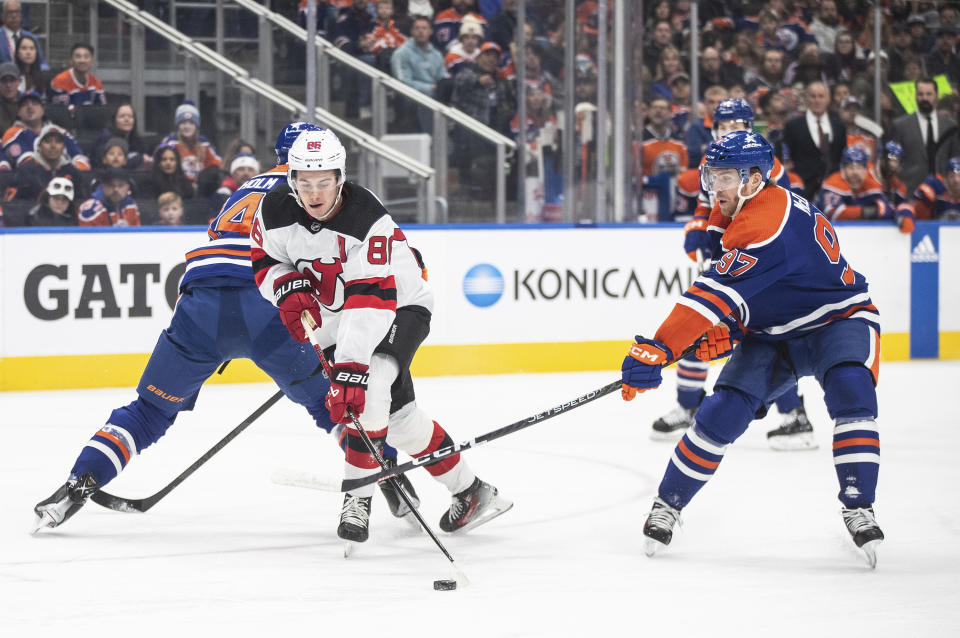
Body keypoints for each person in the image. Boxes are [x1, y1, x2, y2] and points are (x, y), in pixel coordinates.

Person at [33, 122, 421, 532]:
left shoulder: (245, 186)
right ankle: (390, 477)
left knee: (149, 411)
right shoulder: (316, 197)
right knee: (335, 406)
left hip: (202, 304)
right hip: (267, 308)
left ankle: (76, 485)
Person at [621, 130, 885, 567]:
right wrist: (737, 324)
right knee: (720, 414)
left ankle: (859, 505)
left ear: (754, 179)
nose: (713, 188)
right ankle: (668, 504)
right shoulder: (751, 210)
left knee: (852, 392)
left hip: (837, 319)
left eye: (724, 177)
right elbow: (762, 287)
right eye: (712, 176)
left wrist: (657, 349)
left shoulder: (764, 225)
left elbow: (709, 296)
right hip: (772, 332)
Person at [250, 127, 512, 545]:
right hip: (341, 319)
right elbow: (265, 261)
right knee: (401, 422)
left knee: (369, 390)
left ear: (340, 178)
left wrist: (350, 370)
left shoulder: (366, 217)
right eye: (305, 183)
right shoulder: (273, 211)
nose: (315, 193)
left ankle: (357, 501)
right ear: (292, 182)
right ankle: (472, 491)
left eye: (324, 182)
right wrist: (287, 289)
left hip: (399, 305)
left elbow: (369, 301)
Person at [657, 99, 814, 450]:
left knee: (768, 340)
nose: (727, 132)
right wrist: (698, 227)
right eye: (721, 126)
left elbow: (775, 220)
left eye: (734, 126)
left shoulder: (765, 166)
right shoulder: (713, 163)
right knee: (703, 325)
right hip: (728, 254)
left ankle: (795, 416)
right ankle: (688, 404)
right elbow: (706, 202)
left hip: (760, 263)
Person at [818, 146, 911, 234]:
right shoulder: (834, 182)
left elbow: (886, 208)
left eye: (859, 168)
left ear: (866, 170)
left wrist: (902, 216)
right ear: (843, 169)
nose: (855, 172)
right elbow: (833, 213)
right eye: (851, 168)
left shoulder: (869, 184)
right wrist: (868, 211)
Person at [782, 80, 846, 201]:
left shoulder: (839, 125)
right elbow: (787, 157)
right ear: (807, 99)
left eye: (821, 96)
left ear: (828, 99)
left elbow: (841, 156)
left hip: (833, 190)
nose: (817, 100)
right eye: (813, 96)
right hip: (802, 190)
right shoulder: (793, 126)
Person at [891, 78, 958, 193]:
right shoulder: (900, 125)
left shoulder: (950, 126)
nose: (925, 98)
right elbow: (894, 161)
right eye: (920, 94)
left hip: (943, 193)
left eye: (929, 94)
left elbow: (955, 159)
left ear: (936, 95)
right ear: (915, 96)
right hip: (910, 192)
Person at [1, 90, 90, 171]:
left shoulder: (59, 131)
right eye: (24, 104)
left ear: (43, 110)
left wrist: (74, 173)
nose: (29, 107)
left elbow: (80, 158)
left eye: (34, 103)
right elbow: (26, 164)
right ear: (19, 112)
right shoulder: (12, 134)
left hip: (65, 181)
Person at [12, 123, 86, 201]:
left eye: (58, 142)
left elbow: (80, 202)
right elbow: (15, 205)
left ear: (63, 147)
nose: (53, 146)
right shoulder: (26, 170)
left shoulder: (73, 172)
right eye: (47, 141)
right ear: (39, 146)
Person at [158, 101, 222, 185]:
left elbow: (216, 164)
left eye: (191, 123)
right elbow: (158, 159)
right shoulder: (170, 142)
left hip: (200, 189)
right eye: (183, 123)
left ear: (196, 126)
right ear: (178, 126)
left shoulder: (204, 143)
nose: (187, 127)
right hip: (175, 185)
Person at [91, 103, 151, 171]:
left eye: (130, 116)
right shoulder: (104, 140)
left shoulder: (138, 142)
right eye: (122, 116)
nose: (127, 119)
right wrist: (139, 159)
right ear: (114, 120)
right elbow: (111, 165)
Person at [49, 43, 106, 108]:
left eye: (86, 57)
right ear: (71, 60)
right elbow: (60, 113)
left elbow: (101, 110)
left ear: (92, 60)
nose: (82, 60)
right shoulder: (60, 81)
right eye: (78, 57)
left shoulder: (96, 82)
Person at [209, 152, 260, 219]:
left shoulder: (264, 194)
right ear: (233, 173)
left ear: (257, 174)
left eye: (250, 170)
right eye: (241, 169)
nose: (246, 173)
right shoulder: (223, 194)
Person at [0, 1, 48, 70]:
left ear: (21, 15)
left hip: (29, 78)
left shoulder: (32, 37)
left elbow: (42, 63)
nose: (14, 16)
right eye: (10, 12)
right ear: (3, 15)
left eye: (16, 12)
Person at [0, 61, 21, 133]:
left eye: (12, 80)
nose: (8, 85)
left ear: (19, 81)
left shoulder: (28, 102)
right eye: (4, 81)